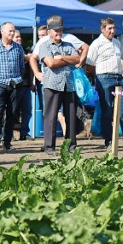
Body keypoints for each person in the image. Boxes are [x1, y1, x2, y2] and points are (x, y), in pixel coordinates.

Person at [86, 17, 123, 150]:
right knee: (107, 112)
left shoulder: (117, 43)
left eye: (114, 28)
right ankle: (109, 142)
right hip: (104, 78)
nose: (112, 31)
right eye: (110, 28)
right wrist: (99, 76)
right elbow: (89, 66)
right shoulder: (96, 44)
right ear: (102, 29)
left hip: (119, 78)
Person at [37, 15, 80, 155]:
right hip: (52, 85)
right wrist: (68, 60)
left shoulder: (69, 45)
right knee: (51, 116)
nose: (58, 33)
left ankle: (71, 146)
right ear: (49, 31)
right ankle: (49, 147)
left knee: (71, 116)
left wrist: (61, 57)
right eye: (56, 30)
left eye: (60, 30)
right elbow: (51, 64)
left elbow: (77, 59)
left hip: (69, 85)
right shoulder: (44, 46)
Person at [0, 22, 25, 151]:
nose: (12, 33)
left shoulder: (18, 48)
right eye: (10, 31)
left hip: (15, 84)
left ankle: (7, 141)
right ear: (2, 32)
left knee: (12, 113)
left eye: (13, 31)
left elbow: (22, 67)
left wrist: (18, 79)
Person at [14, 30, 34, 141]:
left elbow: (31, 66)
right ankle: (9, 133)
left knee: (27, 110)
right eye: (16, 37)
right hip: (15, 86)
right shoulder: (11, 50)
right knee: (12, 111)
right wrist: (27, 58)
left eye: (20, 36)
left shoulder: (24, 50)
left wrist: (32, 83)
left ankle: (24, 133)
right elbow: (28, 58)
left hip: (26, 85)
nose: (19, 39)